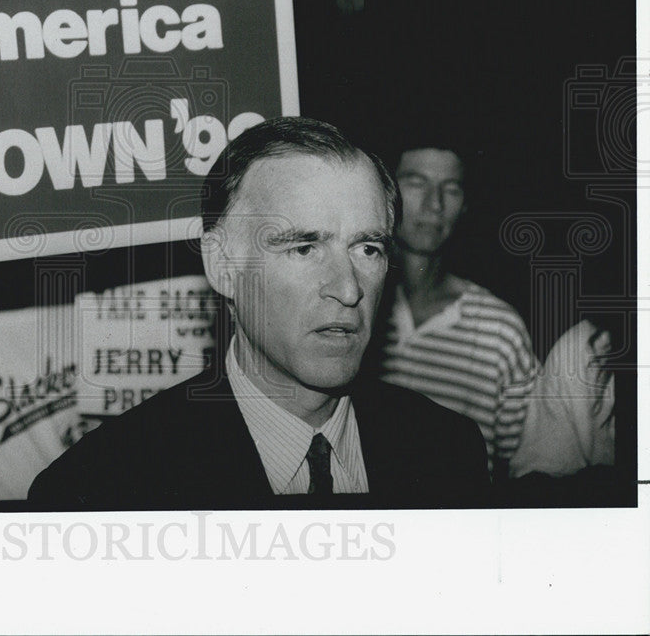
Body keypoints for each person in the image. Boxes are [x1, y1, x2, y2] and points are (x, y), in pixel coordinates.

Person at [29, 118, 490, 509]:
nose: (349, 289)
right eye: (305, 247)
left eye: (368, 248)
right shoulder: (101, 489)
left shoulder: (448, 453)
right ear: (223, 266)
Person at [374, 142, 538, 479]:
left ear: (465, 206)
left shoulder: (499, 329)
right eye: (417, 183)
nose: (434, 205)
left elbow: (527, 471)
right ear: (386, 192)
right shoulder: (355, 309)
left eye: (451, 189)